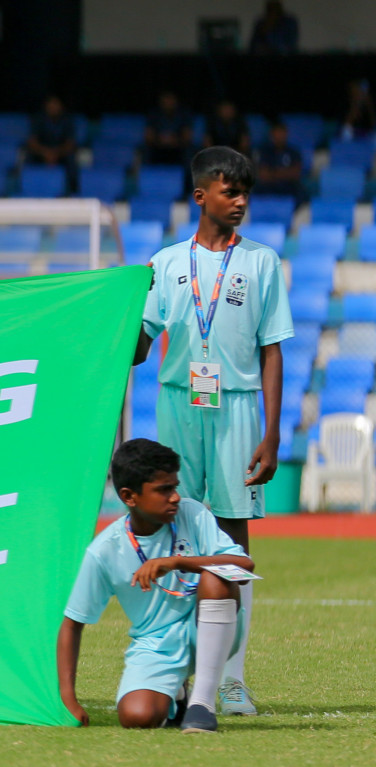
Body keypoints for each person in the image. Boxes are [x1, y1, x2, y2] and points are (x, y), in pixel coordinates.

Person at [133, 145, 294, 717]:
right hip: (178, 406)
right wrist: (111, 315)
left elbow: (272, 350)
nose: (241, 200)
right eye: (231, 191)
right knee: (175, 535)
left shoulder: (262, 262)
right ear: (202, 196)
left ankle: (230, 678)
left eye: (246, 191)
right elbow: (140, 347)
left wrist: (272, 434)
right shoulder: (168, 262)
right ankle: (178, 676)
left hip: (239, 408)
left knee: (231, 541)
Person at [58, 440, 255, 732]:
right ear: (129, 496)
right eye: (163, 490)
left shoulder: (193, 513)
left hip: (208, 627)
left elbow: (244, 565)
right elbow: (72, 624)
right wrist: (68, 697)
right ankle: (178, 694)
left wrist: (177, 562)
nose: (175, 497)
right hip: (156, 645)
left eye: (174, 487)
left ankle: (202, 704)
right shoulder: (104, 550)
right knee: (137, 717)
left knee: (216, 576)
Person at [253, 121, 305, 201]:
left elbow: (296, 174)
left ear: (286, 134)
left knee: (301, 192)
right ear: (272, 135)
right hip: (269, 186)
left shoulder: (294, 152)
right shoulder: (264, 152)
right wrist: (285, 173)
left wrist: (273, 173)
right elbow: (263, 175)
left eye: (282, 133)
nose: (279, 136)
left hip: (289, 186)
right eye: (277, 133)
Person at [25, 94, 77, 169]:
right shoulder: (38, 119)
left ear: (61, 106)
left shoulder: (68, 120)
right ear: (46, 106)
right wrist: (45, 153)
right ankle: (27, 179)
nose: (53, 107)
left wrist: (56, 153)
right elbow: (32, 142)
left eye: (55, 104)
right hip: (42, 152)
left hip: (61, 154)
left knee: (71, 158)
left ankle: (72, 180)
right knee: (29, 155)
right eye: (51, 104)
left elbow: (70, 144)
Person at [144, 91, 192, 165]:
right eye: (166, 99)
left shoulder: (184, 114)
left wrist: (175, 140)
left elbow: (187, 137)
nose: (168, 102)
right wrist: (160, 140)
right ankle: (145, 174)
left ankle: (188, 174)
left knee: (189, 150)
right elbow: (149, 136)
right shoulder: (153, 114)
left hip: (178, 147)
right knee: (143, 149)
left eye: (170, 99)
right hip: (158, 146)